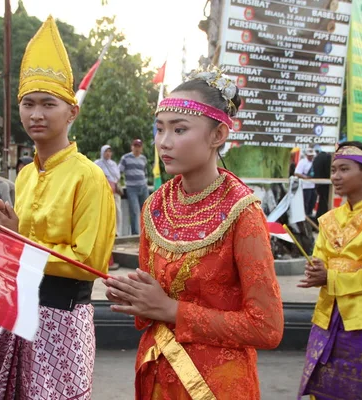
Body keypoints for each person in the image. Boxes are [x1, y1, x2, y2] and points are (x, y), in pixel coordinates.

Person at [104, 68, 284, 399]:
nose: (164, 142)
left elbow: (267, 327)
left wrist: (172, 310)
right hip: (157, 373)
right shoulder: (155, 205)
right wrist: (135, 298)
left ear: (218, 135)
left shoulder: (242, 212)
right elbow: (152, 302)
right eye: (160, 129)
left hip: (215, 385)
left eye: (180, 129)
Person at [0, 16, 116, 399]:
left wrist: (17, 242)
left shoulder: (89, 177)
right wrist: (2, 244)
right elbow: (15, 258)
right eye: (28, 103)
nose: (36, 114)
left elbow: (91, 261)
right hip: (20, 311)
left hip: (63, 318)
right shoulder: (24, 175)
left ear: (72, 112)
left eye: (48, 104)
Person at [297, 141, 362, 400]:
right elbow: (320, 259)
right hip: (326, 316)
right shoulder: (329, 219)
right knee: (322, 387)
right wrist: (316, 272)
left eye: (344, 169)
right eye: (334, 169)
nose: (335, 176)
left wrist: (330, 277)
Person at [119, 138, 149, 235]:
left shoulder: (143, 158)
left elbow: (145, 172)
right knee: (135, 211)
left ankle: (146, 233)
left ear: (141, 148)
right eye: (135, 146)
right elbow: (119, 172)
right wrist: (119, 183)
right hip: (132, 188)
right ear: (132, 147)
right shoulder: (125, 158)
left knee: (146, 210)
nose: (137, 148)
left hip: (143, 187)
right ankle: (135, 234)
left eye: (139, 147)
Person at [95, 144, 123, 237]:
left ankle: (117, 231)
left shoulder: (113, 164)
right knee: (104, 211)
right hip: (103, 191)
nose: (108, 153)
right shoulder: (97, 163)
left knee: (117, 210)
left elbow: (117, 176)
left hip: (114, 190)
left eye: (109, 151)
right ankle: (104, 231)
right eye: (106, 151)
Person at [312, 144, 332, 220]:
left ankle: (318, 218)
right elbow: (328, 171)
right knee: (325, 203)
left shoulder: (317, 158)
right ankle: (322, 219)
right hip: (326, 184)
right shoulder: (327, 158)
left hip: (318, 183)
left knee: (322, 201)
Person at [294, 147, 317, 217]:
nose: (311, 157)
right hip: (305, 186)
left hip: (313, 185)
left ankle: (309, 214)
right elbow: (296, 173)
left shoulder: (314, 162)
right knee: (305, 202)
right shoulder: (302, 162)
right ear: (307, 155)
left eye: (312, 155)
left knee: (312, 202)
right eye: (310, 155)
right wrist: (305, 177)